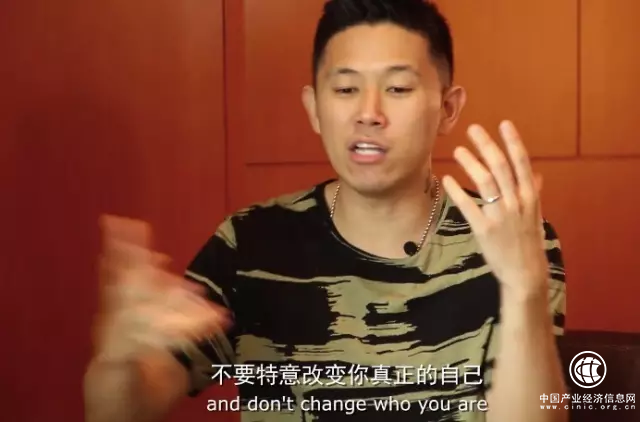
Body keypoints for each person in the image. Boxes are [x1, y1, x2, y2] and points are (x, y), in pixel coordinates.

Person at [83, 0, 568, 421]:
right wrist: (117, 358)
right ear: (315, 108)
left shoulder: (512, 238)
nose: (369, 112)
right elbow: (124, 411)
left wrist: (524, 292)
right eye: (345, 89)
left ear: (447, 108)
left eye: (398, 88)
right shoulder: (251, 244)